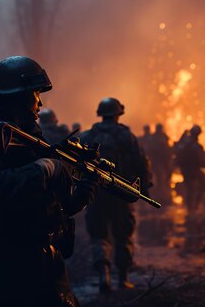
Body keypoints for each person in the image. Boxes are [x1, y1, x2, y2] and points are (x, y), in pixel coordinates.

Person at [0, 56, 98, 306]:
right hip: (4, 269)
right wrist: (44, 168)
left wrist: (83, 190)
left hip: (39, 259)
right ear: (18, 96)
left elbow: (47, 204)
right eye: (36, 94)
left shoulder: (22, 135)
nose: (40, 102)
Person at [79, 97, 151, 293]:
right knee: (123, 236)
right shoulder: (127, 137)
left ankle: (104, 276)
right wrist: (144, 186)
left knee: (99, 235)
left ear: (100, 114)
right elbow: (141, 162)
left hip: (97, 194)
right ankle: (123, 278)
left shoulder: (88, 136)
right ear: (118, 113)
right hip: (121, 194)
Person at [173, 125, 205, 214]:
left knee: (190, 188)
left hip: (185, 169)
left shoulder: (183, 144)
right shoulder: (195, 145)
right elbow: (201, 160)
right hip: (193, 169)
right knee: (203, 185)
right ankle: (195, 207)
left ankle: (190, 209)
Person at [149, 123, 173, 203]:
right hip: (157, 161)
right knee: (159, 178)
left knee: (165, 177)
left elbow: (167, 148)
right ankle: (160, 196)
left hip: (163, 161)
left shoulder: (161, 136)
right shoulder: (155, 138)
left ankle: (164, 194)